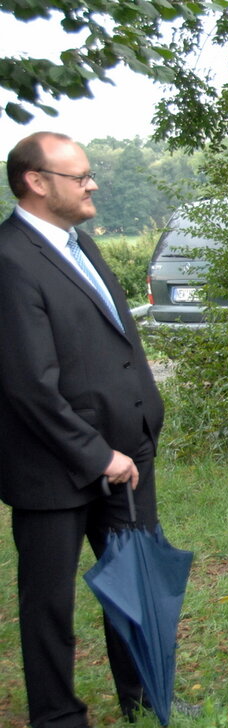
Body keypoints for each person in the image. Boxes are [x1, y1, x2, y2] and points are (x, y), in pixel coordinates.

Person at [0, 133, 172, 727]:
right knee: (49, 602)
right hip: (53, 468)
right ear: (36, 182)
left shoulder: (84, 245)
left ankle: (144, 698)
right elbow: (28, 382)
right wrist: (98, 455)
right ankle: (56, 716)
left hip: (129, 457)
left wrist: (141, 426)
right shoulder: (9, 259)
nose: (93, 183)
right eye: (80, 176)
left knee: (134, 584)